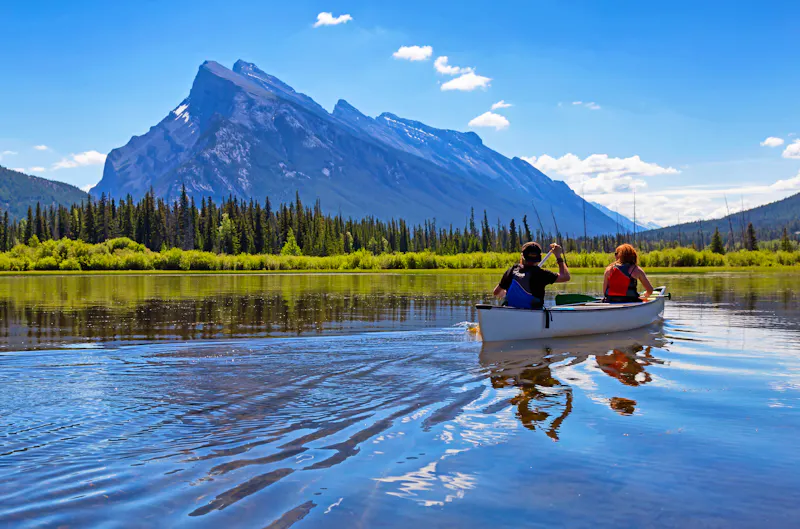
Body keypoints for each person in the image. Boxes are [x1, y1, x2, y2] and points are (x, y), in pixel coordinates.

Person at [493, 242, 570, 309]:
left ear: (522, 256)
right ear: (539, 257)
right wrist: (558, 256)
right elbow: (565, 277)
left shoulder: (512, 270)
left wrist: (505, 294)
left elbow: (496, 292)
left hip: (510, 311)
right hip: (533, 314)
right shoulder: (541, 274)